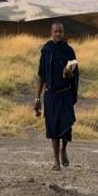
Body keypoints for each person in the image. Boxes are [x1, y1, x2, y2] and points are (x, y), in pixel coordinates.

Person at [33, 21, 79, 171]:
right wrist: (37, 98)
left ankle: (64, 149)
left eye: (60, 31)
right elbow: (41, 76)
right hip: (50, 96)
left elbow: (75, 74)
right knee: (53, 129)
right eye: (55, 31)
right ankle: (56, 161)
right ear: (51, 33)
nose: (58, 34)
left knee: (66, 129)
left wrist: (68, 73)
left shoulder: (69, 51)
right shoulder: (46, 51)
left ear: (63, 32)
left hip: (64, 94)